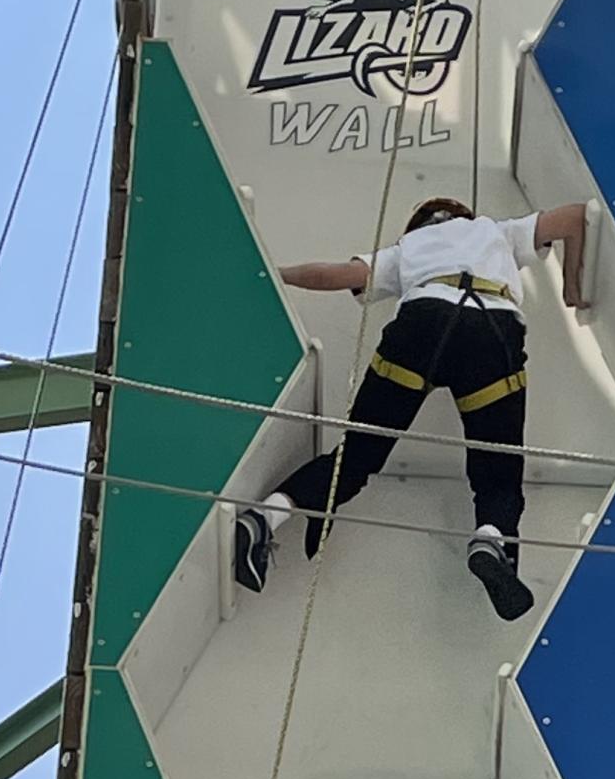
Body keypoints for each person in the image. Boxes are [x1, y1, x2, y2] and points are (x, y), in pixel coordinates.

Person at [232, 193, 588, 624]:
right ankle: (491, 538)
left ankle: (262, 519)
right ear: (465, 216)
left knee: (356, 457)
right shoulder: (495, 231)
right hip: (489, 332)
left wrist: (271, 275)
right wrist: (571, 285)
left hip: (420, 323)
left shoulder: (407, 249)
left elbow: (334, 274)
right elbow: (575, 217)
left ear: (417, 226)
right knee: (498, 466)